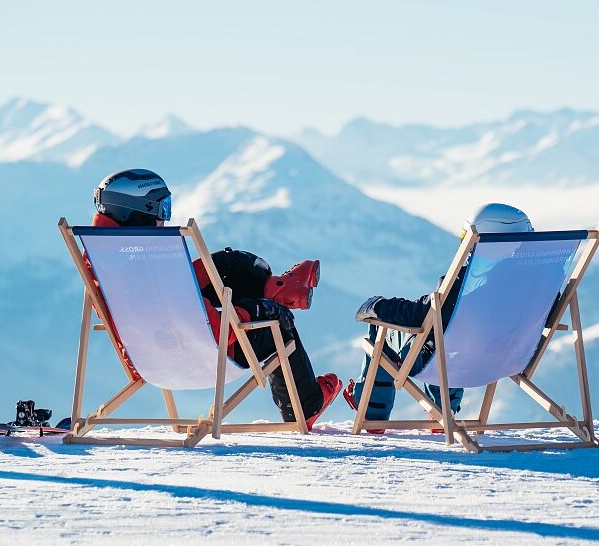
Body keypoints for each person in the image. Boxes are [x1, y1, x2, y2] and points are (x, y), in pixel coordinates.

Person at [91, 168, 342, 427]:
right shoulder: (154, 258)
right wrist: (256, 311)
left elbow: (160, 303)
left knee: (228, 265)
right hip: (198, 353)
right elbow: (213, 331)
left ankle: (279, 287)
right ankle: (305, 404)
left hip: (147, 356)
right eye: (161, 209)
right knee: (278, 323)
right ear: (139, 210)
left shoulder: (102, 255)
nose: (164, 219)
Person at [343, 203, 535, 430]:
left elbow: (422, 315)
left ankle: (372, 413)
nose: (466, 245)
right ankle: (443, 410)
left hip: (456, 363)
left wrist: (379, 306)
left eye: (467, 237)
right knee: (448, 338)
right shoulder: (539, 286)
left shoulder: (466, 283)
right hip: (511, 359)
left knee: (396, 332)